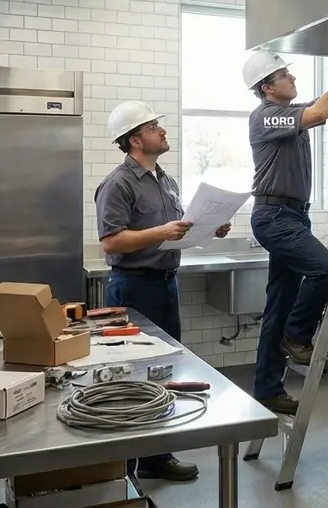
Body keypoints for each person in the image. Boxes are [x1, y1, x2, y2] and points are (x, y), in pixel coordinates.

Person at [93, 100, 230, 482]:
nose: (163, 131)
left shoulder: (165, 179)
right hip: (133, 289)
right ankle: (124, 468)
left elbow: (177, 226)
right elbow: (111, 242)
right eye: (155, 126)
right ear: (135, 139)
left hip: (166, 286)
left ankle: (155, 458)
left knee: (163, 372)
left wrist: (209, 226)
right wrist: (160, 233)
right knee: (133, 376)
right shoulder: (117, 184)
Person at [243, 41, 328, 415]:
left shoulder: (289, 113)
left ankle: (268, 388)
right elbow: (319, 113)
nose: (293, 77)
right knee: (326, 270)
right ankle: (297, 336)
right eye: (286, 74)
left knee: (279, 304)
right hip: (275, 216)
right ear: (268, 87)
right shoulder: (266, 116)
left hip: (293, 215)